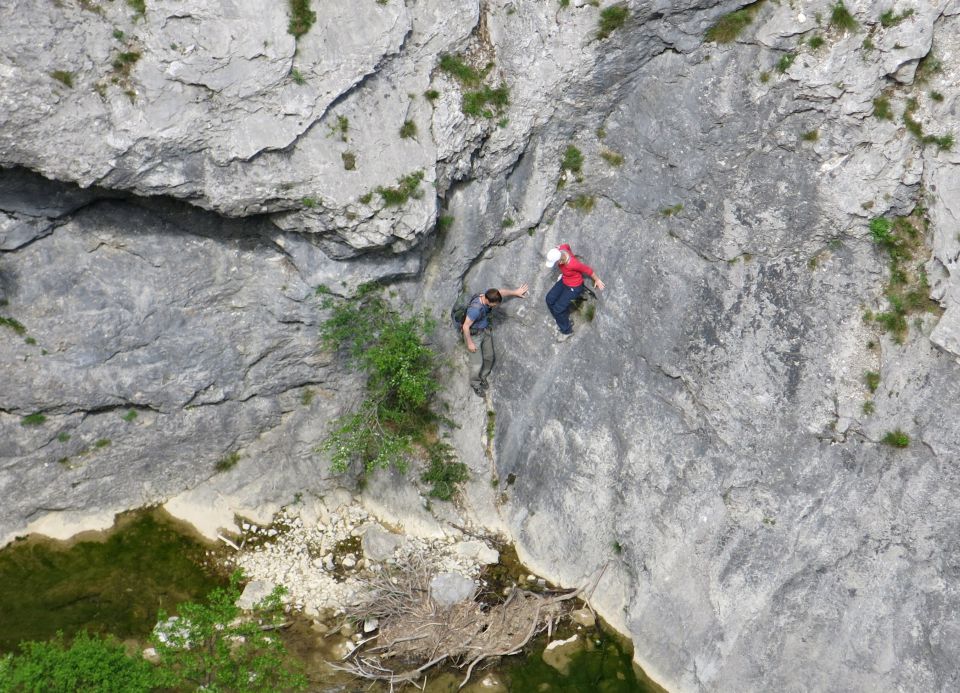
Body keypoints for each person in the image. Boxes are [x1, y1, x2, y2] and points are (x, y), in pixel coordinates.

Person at [462, 284, 529, 396]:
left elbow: (501, 291)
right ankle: (475, 383)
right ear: (488, 301)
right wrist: (470, 343)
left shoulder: (489, 295)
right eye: (495, 304)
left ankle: (483, 377)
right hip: (474, 336)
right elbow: (465, 326)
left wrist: (515, 292)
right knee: (477, 363)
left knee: (489, 357)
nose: (496, 305)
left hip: (485, 331)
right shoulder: (475, 310)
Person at [544, 244, 605, 341]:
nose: (556, 264)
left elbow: (587, 270)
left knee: (557, 309)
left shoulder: (572, 264)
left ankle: (567, 331)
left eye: (555, 262)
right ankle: (562, 318)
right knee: (549, 299)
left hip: (574, 286)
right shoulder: (561, 249)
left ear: (560, 258)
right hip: (564, 280)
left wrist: (597, 280)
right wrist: (565, 251)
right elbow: (566, 245)